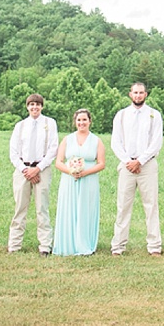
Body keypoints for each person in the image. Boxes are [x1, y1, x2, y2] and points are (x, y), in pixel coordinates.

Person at [110, 82, 164, 256]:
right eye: (135, 92)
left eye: (141, 93)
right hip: (127, 166)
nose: (138, 95)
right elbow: (115, 142)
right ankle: (118, 246)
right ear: (130, 94)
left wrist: (140, 161)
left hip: (147, 165)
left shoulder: (154, 115)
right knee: (123, 206)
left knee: (151, 205)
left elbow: (156, 142)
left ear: (146, 94)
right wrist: (128, 161)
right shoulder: (121, 115)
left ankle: (154, 246)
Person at [7, 93, 58, 255]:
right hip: (23, 170)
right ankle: (14, 245)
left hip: (42, 169)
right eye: (31, 104)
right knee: (20, 208)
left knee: (42, 208)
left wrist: (38, 168)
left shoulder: (50, 123)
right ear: (27, 107)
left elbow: (53, 148)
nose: (34, 107)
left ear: (42, 106)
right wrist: (25, 170)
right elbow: (13, 152)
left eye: (37, 104)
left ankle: (45, 246)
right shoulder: (20, 126)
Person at [53, 109, 106, 256]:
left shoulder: (96, 141)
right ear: (75, 122)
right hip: (69, 180)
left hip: (89, 180)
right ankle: (68, 244)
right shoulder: (67, 139)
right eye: (79, 120)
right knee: (69, 208)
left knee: (86, 209)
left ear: (90, 121)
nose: (81, 123)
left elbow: (101, 163)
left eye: (84, 120)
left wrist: (85, 172)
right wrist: (71, 171)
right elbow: (58, 162)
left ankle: (85, 243)